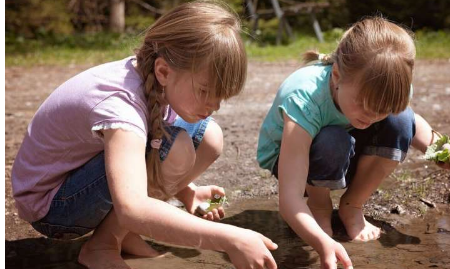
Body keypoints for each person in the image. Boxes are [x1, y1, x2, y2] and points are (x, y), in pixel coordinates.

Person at [11, 2, 278, 269]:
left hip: (79, 181)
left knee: (210, 136)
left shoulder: (155, 81)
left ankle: (121, 234)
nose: (215, 105)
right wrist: (230, 239)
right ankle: (102, 245)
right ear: (163, 71)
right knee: (176, 147)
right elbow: (132, 207)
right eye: (206, 92)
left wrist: (187, 192)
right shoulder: (121, 106)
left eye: (221, 96)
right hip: (54, 206)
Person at [257, 16, 449, 269]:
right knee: (332, 138)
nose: (372, 116)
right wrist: (320, 242)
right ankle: (319, 206)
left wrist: (441, 151)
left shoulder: (387, 91)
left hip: (346, 147)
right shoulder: (304, 98)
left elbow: (414, 126)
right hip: (292, 160)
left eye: (381, 109)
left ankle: (352, 205)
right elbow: (289, 199)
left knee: (401, 119)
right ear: (336, 76)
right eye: (363, 104)